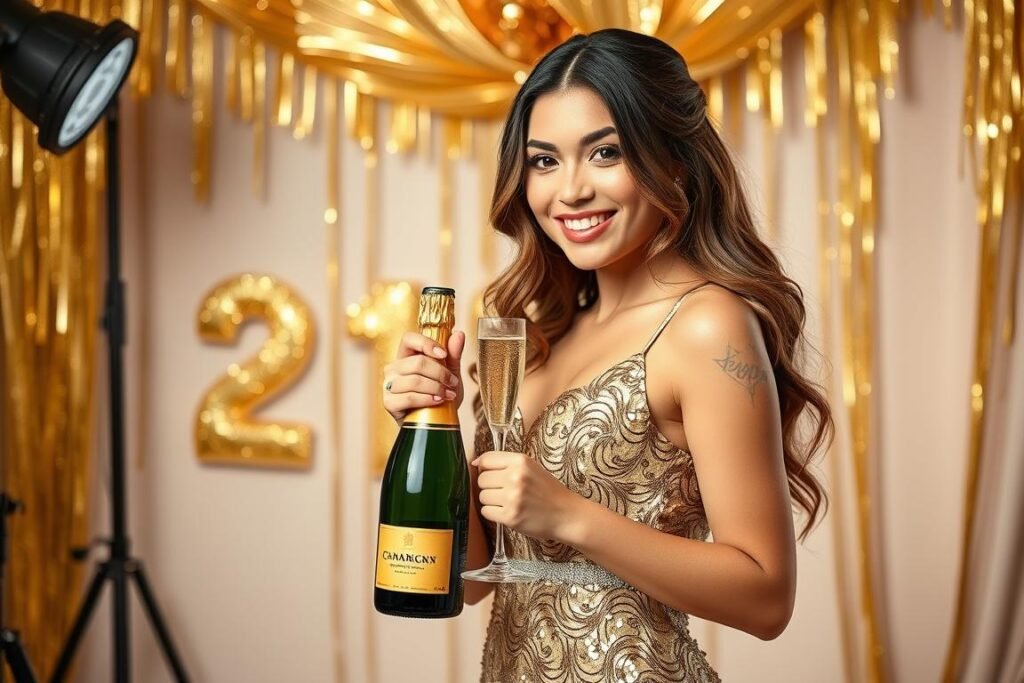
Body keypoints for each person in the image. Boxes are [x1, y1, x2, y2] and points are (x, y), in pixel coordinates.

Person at [383, 28, 833, 682]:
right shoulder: (542, 332)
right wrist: (432, 422)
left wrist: (569, 512)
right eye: (544, 161)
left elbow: (766, 597)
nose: (569, 191)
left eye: (605, 152)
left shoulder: (708, 325)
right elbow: (478, 580)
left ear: (673, 160)